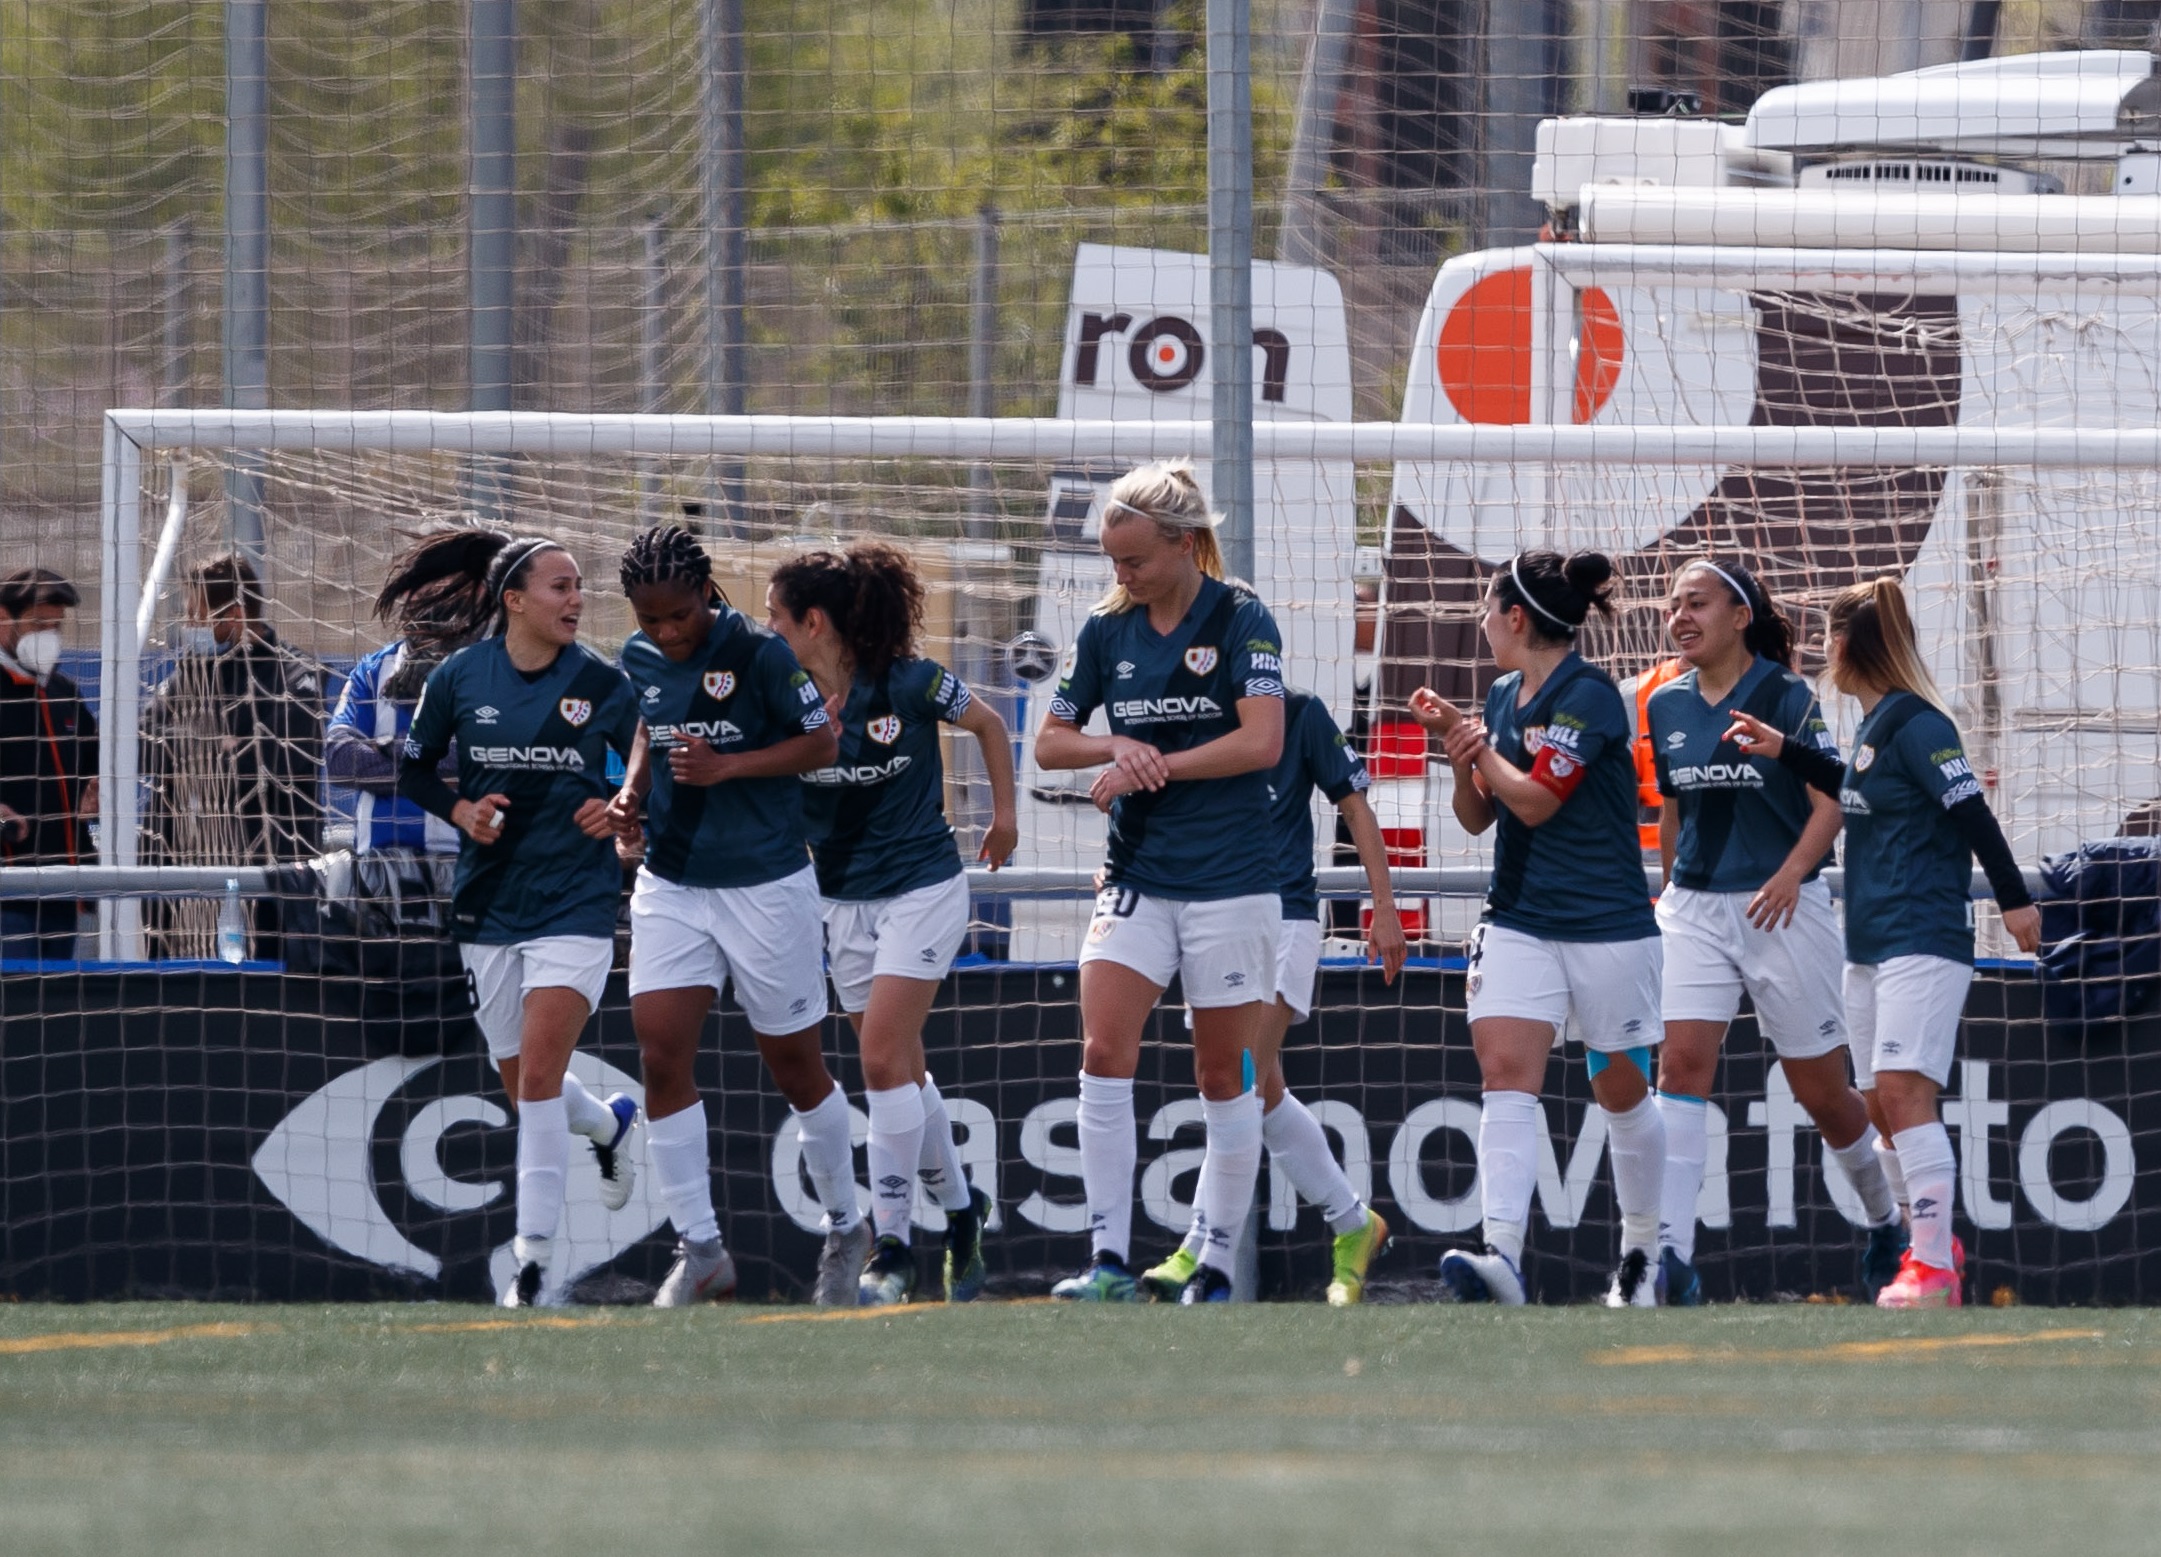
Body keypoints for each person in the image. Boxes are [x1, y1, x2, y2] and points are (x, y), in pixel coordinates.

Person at [1726, 576, 2042, 1309]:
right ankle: (1930, 1247)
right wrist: (1785, 750)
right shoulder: (1873, 726)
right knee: (1875, 1102)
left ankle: (1932, 1265)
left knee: (1903, 1094)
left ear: (1848, 644)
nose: (1821, 654)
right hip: (1866, 943)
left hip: (1922, 938)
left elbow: (1973, 815)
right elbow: (1855, 785)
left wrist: (2015, 900)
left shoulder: (1921, 723)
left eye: (1827, 639)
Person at [1035, 460, 1288, 1305]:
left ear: (1183, 546)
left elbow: (1261, 743)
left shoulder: (1242, 615)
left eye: (1134, 560)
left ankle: (1212, 1262)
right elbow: (1050, 741)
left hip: (1232, 882)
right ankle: (1106, 1259)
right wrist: (1115, 746)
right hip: (1138, 876)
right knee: (1103, 1052)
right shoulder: (1107, 631)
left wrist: (1158, 763)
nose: (1122, 576)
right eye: (1113, 562)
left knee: (1222, 1075)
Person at [605, 525, 858, 1307]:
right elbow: (652, 719)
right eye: (651, 619)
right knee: (659, 1053)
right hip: (673, 879)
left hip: (765, 883)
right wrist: (634, 791)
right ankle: (702, 1246)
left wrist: (730, 766)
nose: (666, 632)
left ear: (706, 594)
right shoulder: (638, 658)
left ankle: (848, 1227)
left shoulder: (761, 654)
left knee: (793, 1064)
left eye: (678, 615)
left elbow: (822, 743)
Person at [394, 531, 644, 1307]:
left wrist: (624, 808)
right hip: (489, 901)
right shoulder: (461, 677)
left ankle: (529, 1265)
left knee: (536, 1078)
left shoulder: (604, 682)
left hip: (575, 898)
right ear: (513, 601)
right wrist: (461, 807)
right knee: (523, 1085)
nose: (576, 599)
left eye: (579, 586)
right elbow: (411, 767)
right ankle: (606, 1124)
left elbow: (641, 765)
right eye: (559, 587)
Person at [1413, 550, 1668, 1308]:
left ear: (1515, 617)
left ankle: (1641, 1256)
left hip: (1606, 923)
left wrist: (1478, 745)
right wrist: (1462, 756)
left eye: (1488, 613)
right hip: (1520, 916)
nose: (1483, 626)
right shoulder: (1497, 695)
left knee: (1620, 1090)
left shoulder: (1587, 694)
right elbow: (1480, 815)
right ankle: (1501, 1257)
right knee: (1503, 1076)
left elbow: (1535, 801)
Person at [1646, 559, 1903, 1306]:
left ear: (1738, 613)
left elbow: (1834, 798)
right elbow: (1672, 808)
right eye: (1672, 607)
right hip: (1694, 908)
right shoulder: (1664, 704)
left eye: (1695, 603)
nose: (1679, 617)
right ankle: (1670, 1256)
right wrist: (1671, 888)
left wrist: (1793, 872)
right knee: (1680, 1067)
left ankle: (1885, 1221)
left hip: (1782, 907)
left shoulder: (1788, 696)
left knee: (1823, 1095)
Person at [766, 541, 1017, 1306]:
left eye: (773, 616)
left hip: (923, 887)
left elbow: (990, 726)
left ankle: (894, 1244)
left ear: (813, 622)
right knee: (903, 1067)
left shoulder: (910, 682)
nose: (763, 627)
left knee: (878, 1060)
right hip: (840, 900)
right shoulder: (778, 697)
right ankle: (964, 1210)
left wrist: (1004, 816)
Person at [1139, 688, 1407, 1305]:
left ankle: (1203, 1254)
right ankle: (1353, 1223)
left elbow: (1356, 806)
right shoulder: (1191, 708)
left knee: (1237, 1082)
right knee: (1260, 1091)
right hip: (1215, 914)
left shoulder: (1301, 712)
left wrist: (1384, 905)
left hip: (1284, 917)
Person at [142, 554, 325, 960]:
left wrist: (207, 751)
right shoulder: (193, 672)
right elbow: (144, 740)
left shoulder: (296, 676)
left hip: (271, 880)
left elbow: (278, 763)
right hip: (184, 882)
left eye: (198, 617)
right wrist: (212, 744)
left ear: (236, 615)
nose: (191, 628)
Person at [326, 530, 489, 858]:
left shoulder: (497, 667)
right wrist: (428, 761)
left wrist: (384, 750)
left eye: (440, 583)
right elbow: (340, 759)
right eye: (418, 583)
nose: (424, 595)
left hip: (472, 866)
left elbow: (482, 758)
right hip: (381, 867)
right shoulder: (374, 669)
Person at [0, 568, 97, 961]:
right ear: (4, 617)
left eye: (56, 626)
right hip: (8, 896)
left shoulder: (63, 692)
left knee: (61, 1011)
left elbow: (94, 765)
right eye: (39, 622)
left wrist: (95, 789)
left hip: (63, 892)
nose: (49, 634)